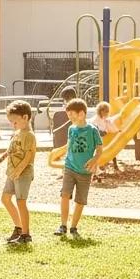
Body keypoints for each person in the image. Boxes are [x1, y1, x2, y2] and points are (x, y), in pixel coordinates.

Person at [55, 98, 102, 238]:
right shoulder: (71, 129)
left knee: (80, 200)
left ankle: (73, 227)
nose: (69, 118)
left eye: (71, 115)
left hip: (85, 172)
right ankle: (63, 225)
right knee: (64, 195)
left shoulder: (93, 130)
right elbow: (69, 147)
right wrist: (63, 162)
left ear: (81, 114)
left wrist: (94, 160)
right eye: (68, 115)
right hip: (70, 168)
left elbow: (99, 149)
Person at [0, 99, 35, 244]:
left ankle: (26, 235)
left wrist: (18, 171)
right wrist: (1, 158)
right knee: (5, 199)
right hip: (12, 172)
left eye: (15, 122)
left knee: (21, 201)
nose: (13, 125)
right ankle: (19, 228)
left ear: (25, 117)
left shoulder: (29, 135)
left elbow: (28, 155)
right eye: (11, 122)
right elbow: (11, 149)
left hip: (23, 173)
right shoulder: (18, 133)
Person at [90, 100, 119, 177]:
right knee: (95, 153)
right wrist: (102, 132)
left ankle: (96, 171)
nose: (106, 113)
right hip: (94, 138)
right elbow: (93, 126)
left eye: (107, 112)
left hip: (100, 138)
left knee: (100, 152)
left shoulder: (104, 119)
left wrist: (117, 130)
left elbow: (110, 123)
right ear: (101, 111)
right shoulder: (96, 119)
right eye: (105, 111)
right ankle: (95, 170)